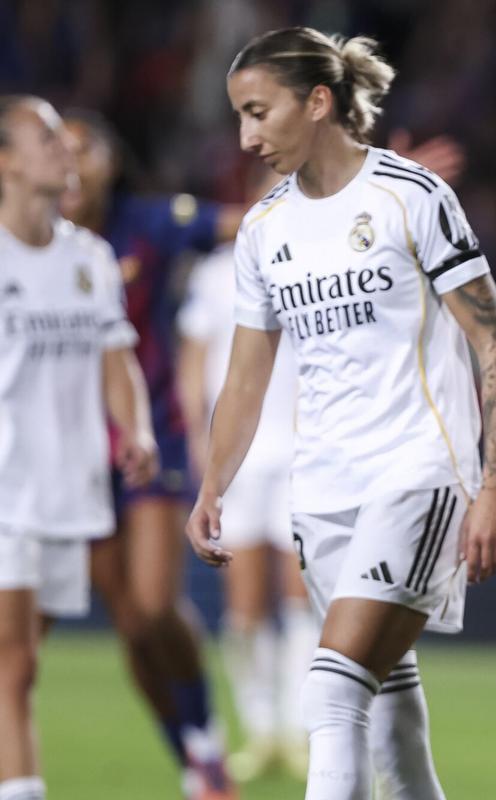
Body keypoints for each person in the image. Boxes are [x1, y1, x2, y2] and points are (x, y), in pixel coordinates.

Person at [184, 27, 496, 800]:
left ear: (318, 100)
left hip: (418, 472)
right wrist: (214, 487)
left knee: (331, 689)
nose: (247, 135)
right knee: (388, 708)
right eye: (239, 116)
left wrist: (495, 483)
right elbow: (245, 378)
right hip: (322, 490)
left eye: (259, 112)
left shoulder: (411, 196)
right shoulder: (265, 231)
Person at [59, 110, 239, 799]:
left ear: (110, 161)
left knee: (158, 605)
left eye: (86, 150)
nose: (73, 164)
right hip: (71, 451)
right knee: (130, 624)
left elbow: (239, 224)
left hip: (151, 433)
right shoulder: (28, 242)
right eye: (60, 151)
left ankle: (208, 740)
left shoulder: (146, 222)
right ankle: (196, 760)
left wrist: (340, 197)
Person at [0, 95, 157, 800]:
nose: (67, 147)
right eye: (47, 137)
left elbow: (115, 359)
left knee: (24, 661)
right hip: (5, 488)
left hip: (70, 490)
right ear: (5, 161)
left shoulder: (89, 257)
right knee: (12, 666)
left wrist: (139, 429)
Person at [177, 226, 317, 781]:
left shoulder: (317, 258)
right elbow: (196, 358)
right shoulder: (216, 271)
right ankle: (261, 729)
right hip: (241, 457)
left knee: (301, 597)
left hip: (303, 451)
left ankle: (297, 728)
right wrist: (196, 441)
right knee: (244, 602)